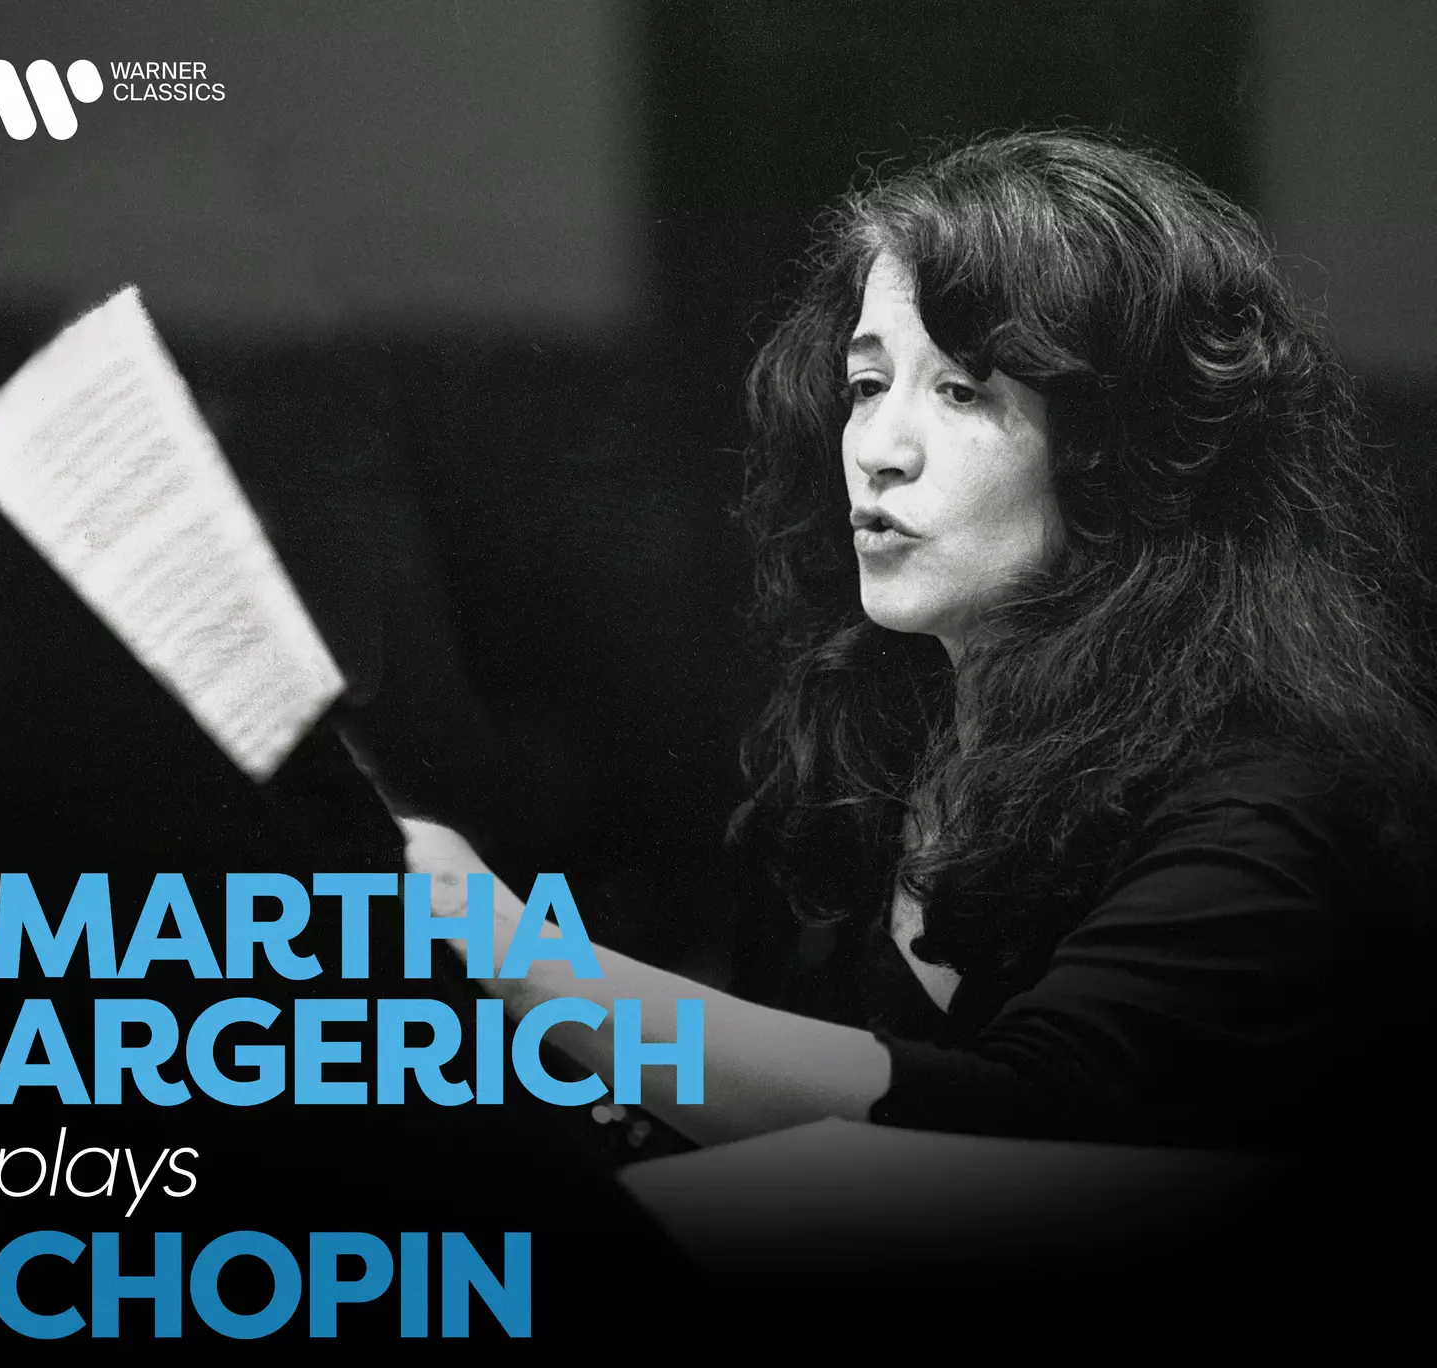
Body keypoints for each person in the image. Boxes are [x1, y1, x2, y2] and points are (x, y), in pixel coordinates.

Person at [401, 130, 1436, 1152]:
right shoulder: (879, 749)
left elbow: (1019, 1137)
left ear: (1122, 448)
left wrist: (524, 959)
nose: (880, 451)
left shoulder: (1265, 805)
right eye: (866, 386)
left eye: (960, 390)